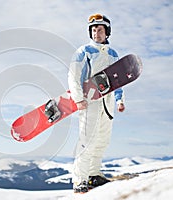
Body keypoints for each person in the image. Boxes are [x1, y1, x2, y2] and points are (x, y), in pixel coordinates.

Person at [68, 13, 125, 193]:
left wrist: (120, 100)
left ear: (106, 32)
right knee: (87, 141)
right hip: (89, 101)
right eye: (93, 29)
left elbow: (119, 79)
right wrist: (78, 98)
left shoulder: (113, 54)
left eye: (99, 29)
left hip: (107, 102)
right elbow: (73, 76)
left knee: (102, 140)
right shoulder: (84, 51)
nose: (96, 33)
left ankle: (93, 175)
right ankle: (80, 181)